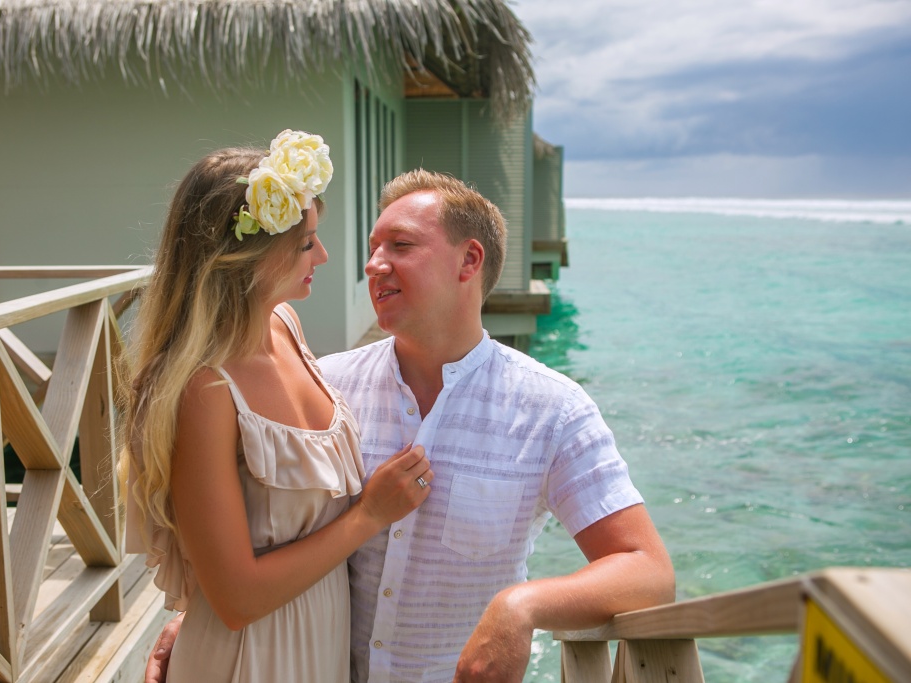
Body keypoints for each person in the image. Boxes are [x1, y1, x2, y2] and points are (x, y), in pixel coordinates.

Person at [146, 169, 675, 683]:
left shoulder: (552, 410)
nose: (373, 264)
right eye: (373, 247)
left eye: (400, 245)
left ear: (469, 261)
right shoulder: (326, 388)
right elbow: (262, 529)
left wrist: (522, 605)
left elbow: (647, 570)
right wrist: (203, 618)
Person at [119, 131, 433, 682]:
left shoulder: (284, 324)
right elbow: (236, 598)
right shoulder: (203, 390)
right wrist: (369, 515)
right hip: (250, 660)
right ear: (245, 255)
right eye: (306, 243)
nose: (324, 256)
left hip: (319, 647)